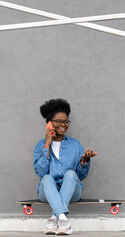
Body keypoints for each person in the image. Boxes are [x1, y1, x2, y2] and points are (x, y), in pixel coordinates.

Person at [33, 99, 98, 235]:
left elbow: (80, 176)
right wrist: (47, 144)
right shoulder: (40, 145)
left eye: (66, 121)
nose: (63, 125)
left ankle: (55, 218)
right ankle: (62, 220)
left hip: (72, 192)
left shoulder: (75, 145)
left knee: (71, 174)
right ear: (49, 123)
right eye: (59, 121)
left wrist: (83, 162)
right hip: (48, 192)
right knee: (46, 177)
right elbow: (41, 172)